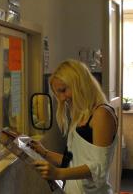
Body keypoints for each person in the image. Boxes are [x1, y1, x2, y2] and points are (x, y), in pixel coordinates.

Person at [29, 59, 118, 193]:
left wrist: (58, 173)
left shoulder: (101, 114)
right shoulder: (80, 114)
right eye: (58, 94)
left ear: (79, 83)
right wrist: (44, 152)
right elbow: (73, 161)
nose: (62, 98)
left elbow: (99, 169)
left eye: (63, 90)